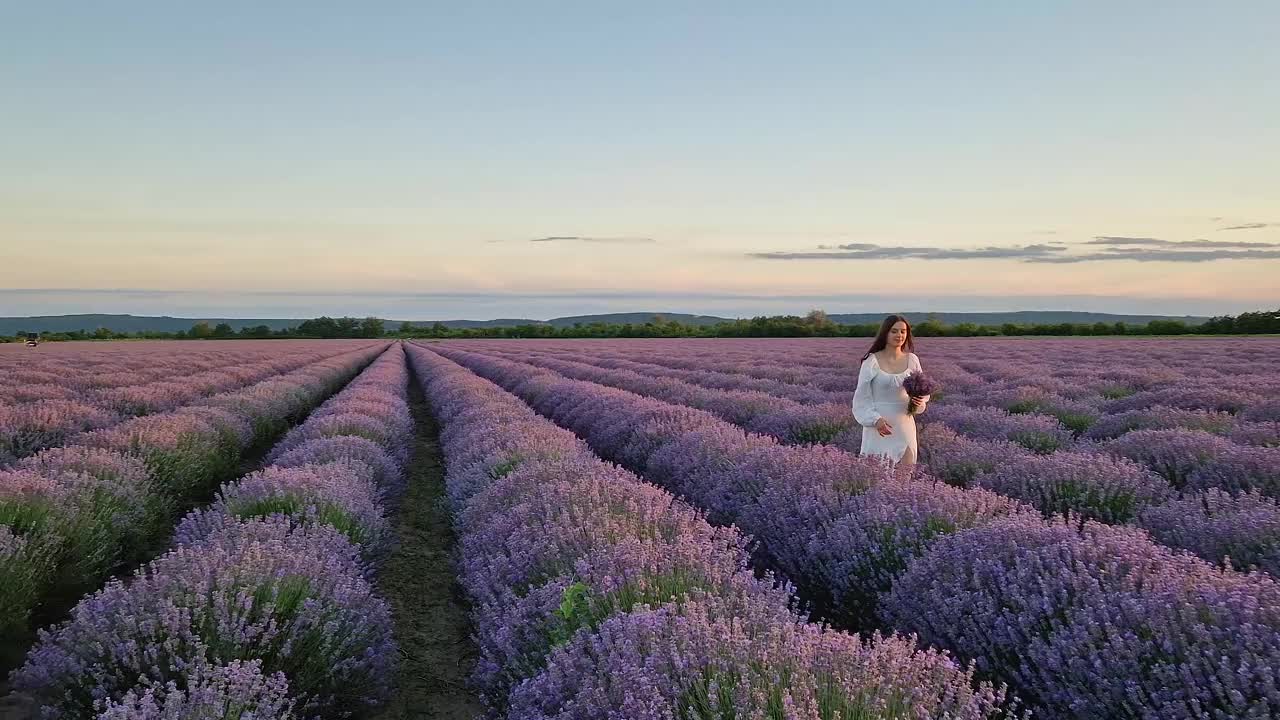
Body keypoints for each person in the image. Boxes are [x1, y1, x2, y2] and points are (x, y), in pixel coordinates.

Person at [852, 314, 926, 465]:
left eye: (903, 331)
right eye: (894, 331)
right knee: (876, 475)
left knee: (905, 474)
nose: (899, 335)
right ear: (885, 333)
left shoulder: (912, 360)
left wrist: (917, 402)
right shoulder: (871, 361)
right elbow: (861, 398)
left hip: (904, 423)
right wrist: (875, 420)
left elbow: (923, 392)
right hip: (879, 426)